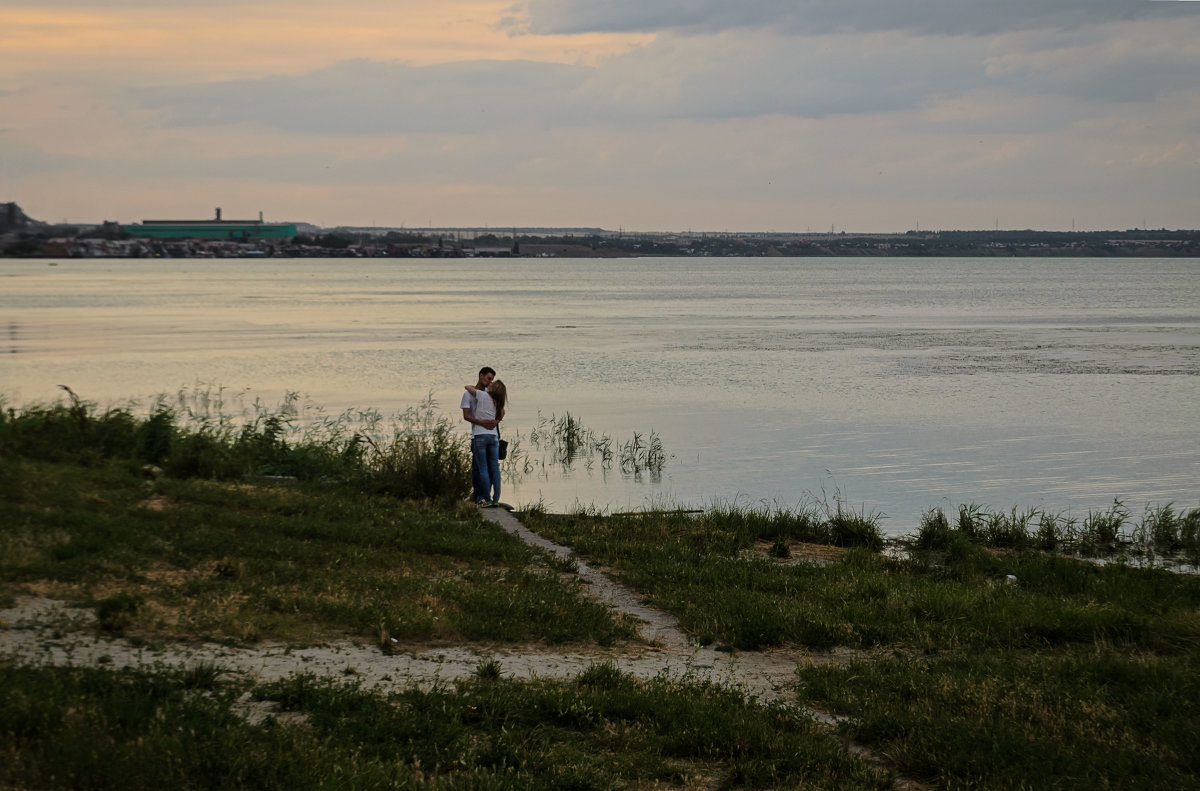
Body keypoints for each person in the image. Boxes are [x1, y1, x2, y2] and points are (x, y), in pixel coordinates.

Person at [464, 379, 506, 505]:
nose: (490, 383)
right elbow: (503, 412)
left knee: (483, 468)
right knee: (494, 468)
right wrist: (497, 421)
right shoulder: (497, 400)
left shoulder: (482, 395)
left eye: (492, 384)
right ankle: (496, 499)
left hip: (480, 435)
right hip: (493, 437)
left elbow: (467, 387)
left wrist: (484, 385)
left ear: (493, 389)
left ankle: (486, 499)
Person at [460, 366, 497, 503]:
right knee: (476, 468)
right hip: (477, 434)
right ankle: (477, 495)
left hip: (489, 433)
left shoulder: (490, 393)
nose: (490, 382)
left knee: (488, 466)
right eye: (488, 378)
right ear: (481, 376)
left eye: (492, 380)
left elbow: (501, 409)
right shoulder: (468, 395)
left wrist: (495, 421)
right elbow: (466, 416)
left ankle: (485, 496)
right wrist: (480, 422)